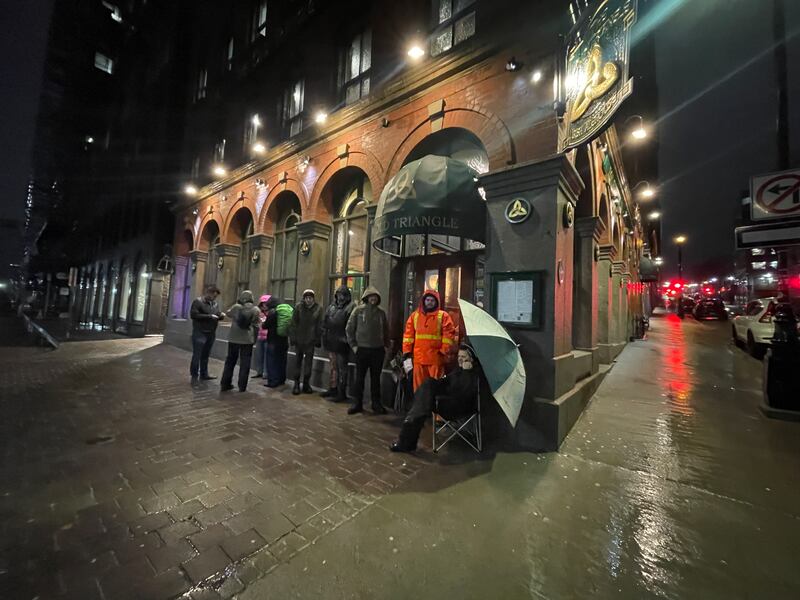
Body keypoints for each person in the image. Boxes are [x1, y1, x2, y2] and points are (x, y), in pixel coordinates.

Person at [390, 346, 479, 453]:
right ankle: (410, 426)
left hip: (457, 407)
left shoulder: (472, 374)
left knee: (422, 403)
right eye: (459, 356)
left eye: (463, 357)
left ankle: (408, 431)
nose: (460, 359)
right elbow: (446, 382)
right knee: (428, 384)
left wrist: (467, 372)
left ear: (471, 359)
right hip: (446, 401)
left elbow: (465, 393)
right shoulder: (457, 370)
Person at [345, 286, 390, 415]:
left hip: (378, 350)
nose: (373, 299)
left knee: (376, 379)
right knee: (359, 378)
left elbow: (386, 330)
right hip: (362, 350)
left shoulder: (381, 313)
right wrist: (354, 346)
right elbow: (349, 329)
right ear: (366, 298)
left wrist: (386, 347)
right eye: (371, 296)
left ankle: (376, 404)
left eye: (375, 297)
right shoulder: (358, 311)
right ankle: (357, 403)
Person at [402, 289, 456, 391]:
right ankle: (420, 406)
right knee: (419, 388)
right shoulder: (415, 316)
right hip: (419, 359)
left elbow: (449, 336)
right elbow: (408, 336)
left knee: (435, 388)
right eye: (428, 300)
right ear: (424, 301)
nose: (429, 302)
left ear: (436, 302)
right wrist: (407, 352)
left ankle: (433, 407)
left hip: (436, 359)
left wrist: (443, 351)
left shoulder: (443, 316)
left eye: (432, 300)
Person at [220, 290, 261, 392]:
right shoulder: (255, 309)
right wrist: (254, 339)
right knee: (245, 363)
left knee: (230, 361)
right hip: (247, 339)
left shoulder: (236, 307)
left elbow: (228, 314)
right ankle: (242, 386)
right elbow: (256, 325)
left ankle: (225, 383)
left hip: (234, 338)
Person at [321, 285, 355, 403]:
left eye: (343, 295)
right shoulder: (331, 307)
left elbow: (350, 326)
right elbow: (325, 322)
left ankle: (341, 392)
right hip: (331, 340)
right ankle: (333, 388)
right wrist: (324, 337)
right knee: (333, 367)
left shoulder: (351, 307)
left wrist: (347, 339)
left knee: (342, 369)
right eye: (339, 294)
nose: (341, 297)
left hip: (342, 342)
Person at [189, 284, 225, 383]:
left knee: (205, 355)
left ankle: (204, 374)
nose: (214, 298)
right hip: (200, 332)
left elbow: (216, 314)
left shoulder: (215, 304)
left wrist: (220, 315)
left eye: (216, 296)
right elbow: (194, 314)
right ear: (208, 293)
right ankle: (194, 374)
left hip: (211, 333)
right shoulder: (198, 302)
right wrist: (209, 316)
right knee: (197, 354)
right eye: (214, 295)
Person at [290, 289, 323, 395]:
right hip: (299, 339)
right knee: (297, 362)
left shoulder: (318, 309)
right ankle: (296, 384)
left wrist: (318, 339)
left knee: (308, 364)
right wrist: (293, 338)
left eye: (310, 298)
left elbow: (319, 325)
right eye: (306, 298)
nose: (308, 300)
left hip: (310, 340)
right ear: (304, 298)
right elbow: (293, 323)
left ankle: (306, 384)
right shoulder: (299, 307)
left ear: (313, 298)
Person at [262, 297, 291, 388]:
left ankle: (273, 381)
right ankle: (281, 380)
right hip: (284, 340)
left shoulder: (272, 312)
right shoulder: (284, 312)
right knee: (282, 361)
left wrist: (263, 322)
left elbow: (265, 326)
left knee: (271, 361)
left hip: (273, 341)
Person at [252, 294, 271, 379]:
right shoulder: (259, 313)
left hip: (268, 337)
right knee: (259, 355)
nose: (264, 305)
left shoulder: (272, 312)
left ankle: (265, 373)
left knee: (267, 356)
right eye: (263, 303)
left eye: (266, 303)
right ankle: (259, 371)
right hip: (260, 337)